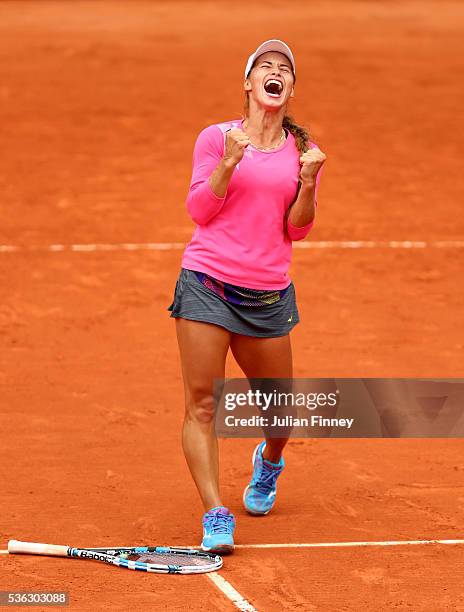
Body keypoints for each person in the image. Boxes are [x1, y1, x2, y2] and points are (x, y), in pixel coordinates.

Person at [168, 39, 326, 554]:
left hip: (266, 297)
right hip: (207, 283)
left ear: (290, 89)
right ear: (249, 83)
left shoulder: (301, 151)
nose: (275, 72)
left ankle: (270, 461)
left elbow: (298, 231)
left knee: (280, 413)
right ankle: (215, 512)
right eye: (266, 66)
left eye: (284, 69)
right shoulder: (216, 138)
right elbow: (199, 210)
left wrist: (308, 184)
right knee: (201, 404)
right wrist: (228, 164)